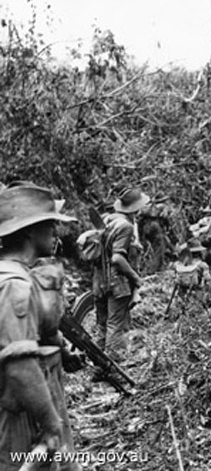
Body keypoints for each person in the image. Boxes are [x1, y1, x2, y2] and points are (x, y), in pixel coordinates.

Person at [0, 184, 82, 470]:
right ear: (29, 232)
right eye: (49, 225)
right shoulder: (14, 284)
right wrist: (50, 422)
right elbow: (19, 365)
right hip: (21, 416)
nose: (55, 233)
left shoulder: (20, 276)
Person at [94, 188, 149, 368]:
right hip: (116, 283)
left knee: (102, 325)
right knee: (117, 327)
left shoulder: (107, 220)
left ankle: (98, 367)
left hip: (99, 281)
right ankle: (114, 368)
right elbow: (117, 258)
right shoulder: (125, 226)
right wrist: (135, 278)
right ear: (136, 209)